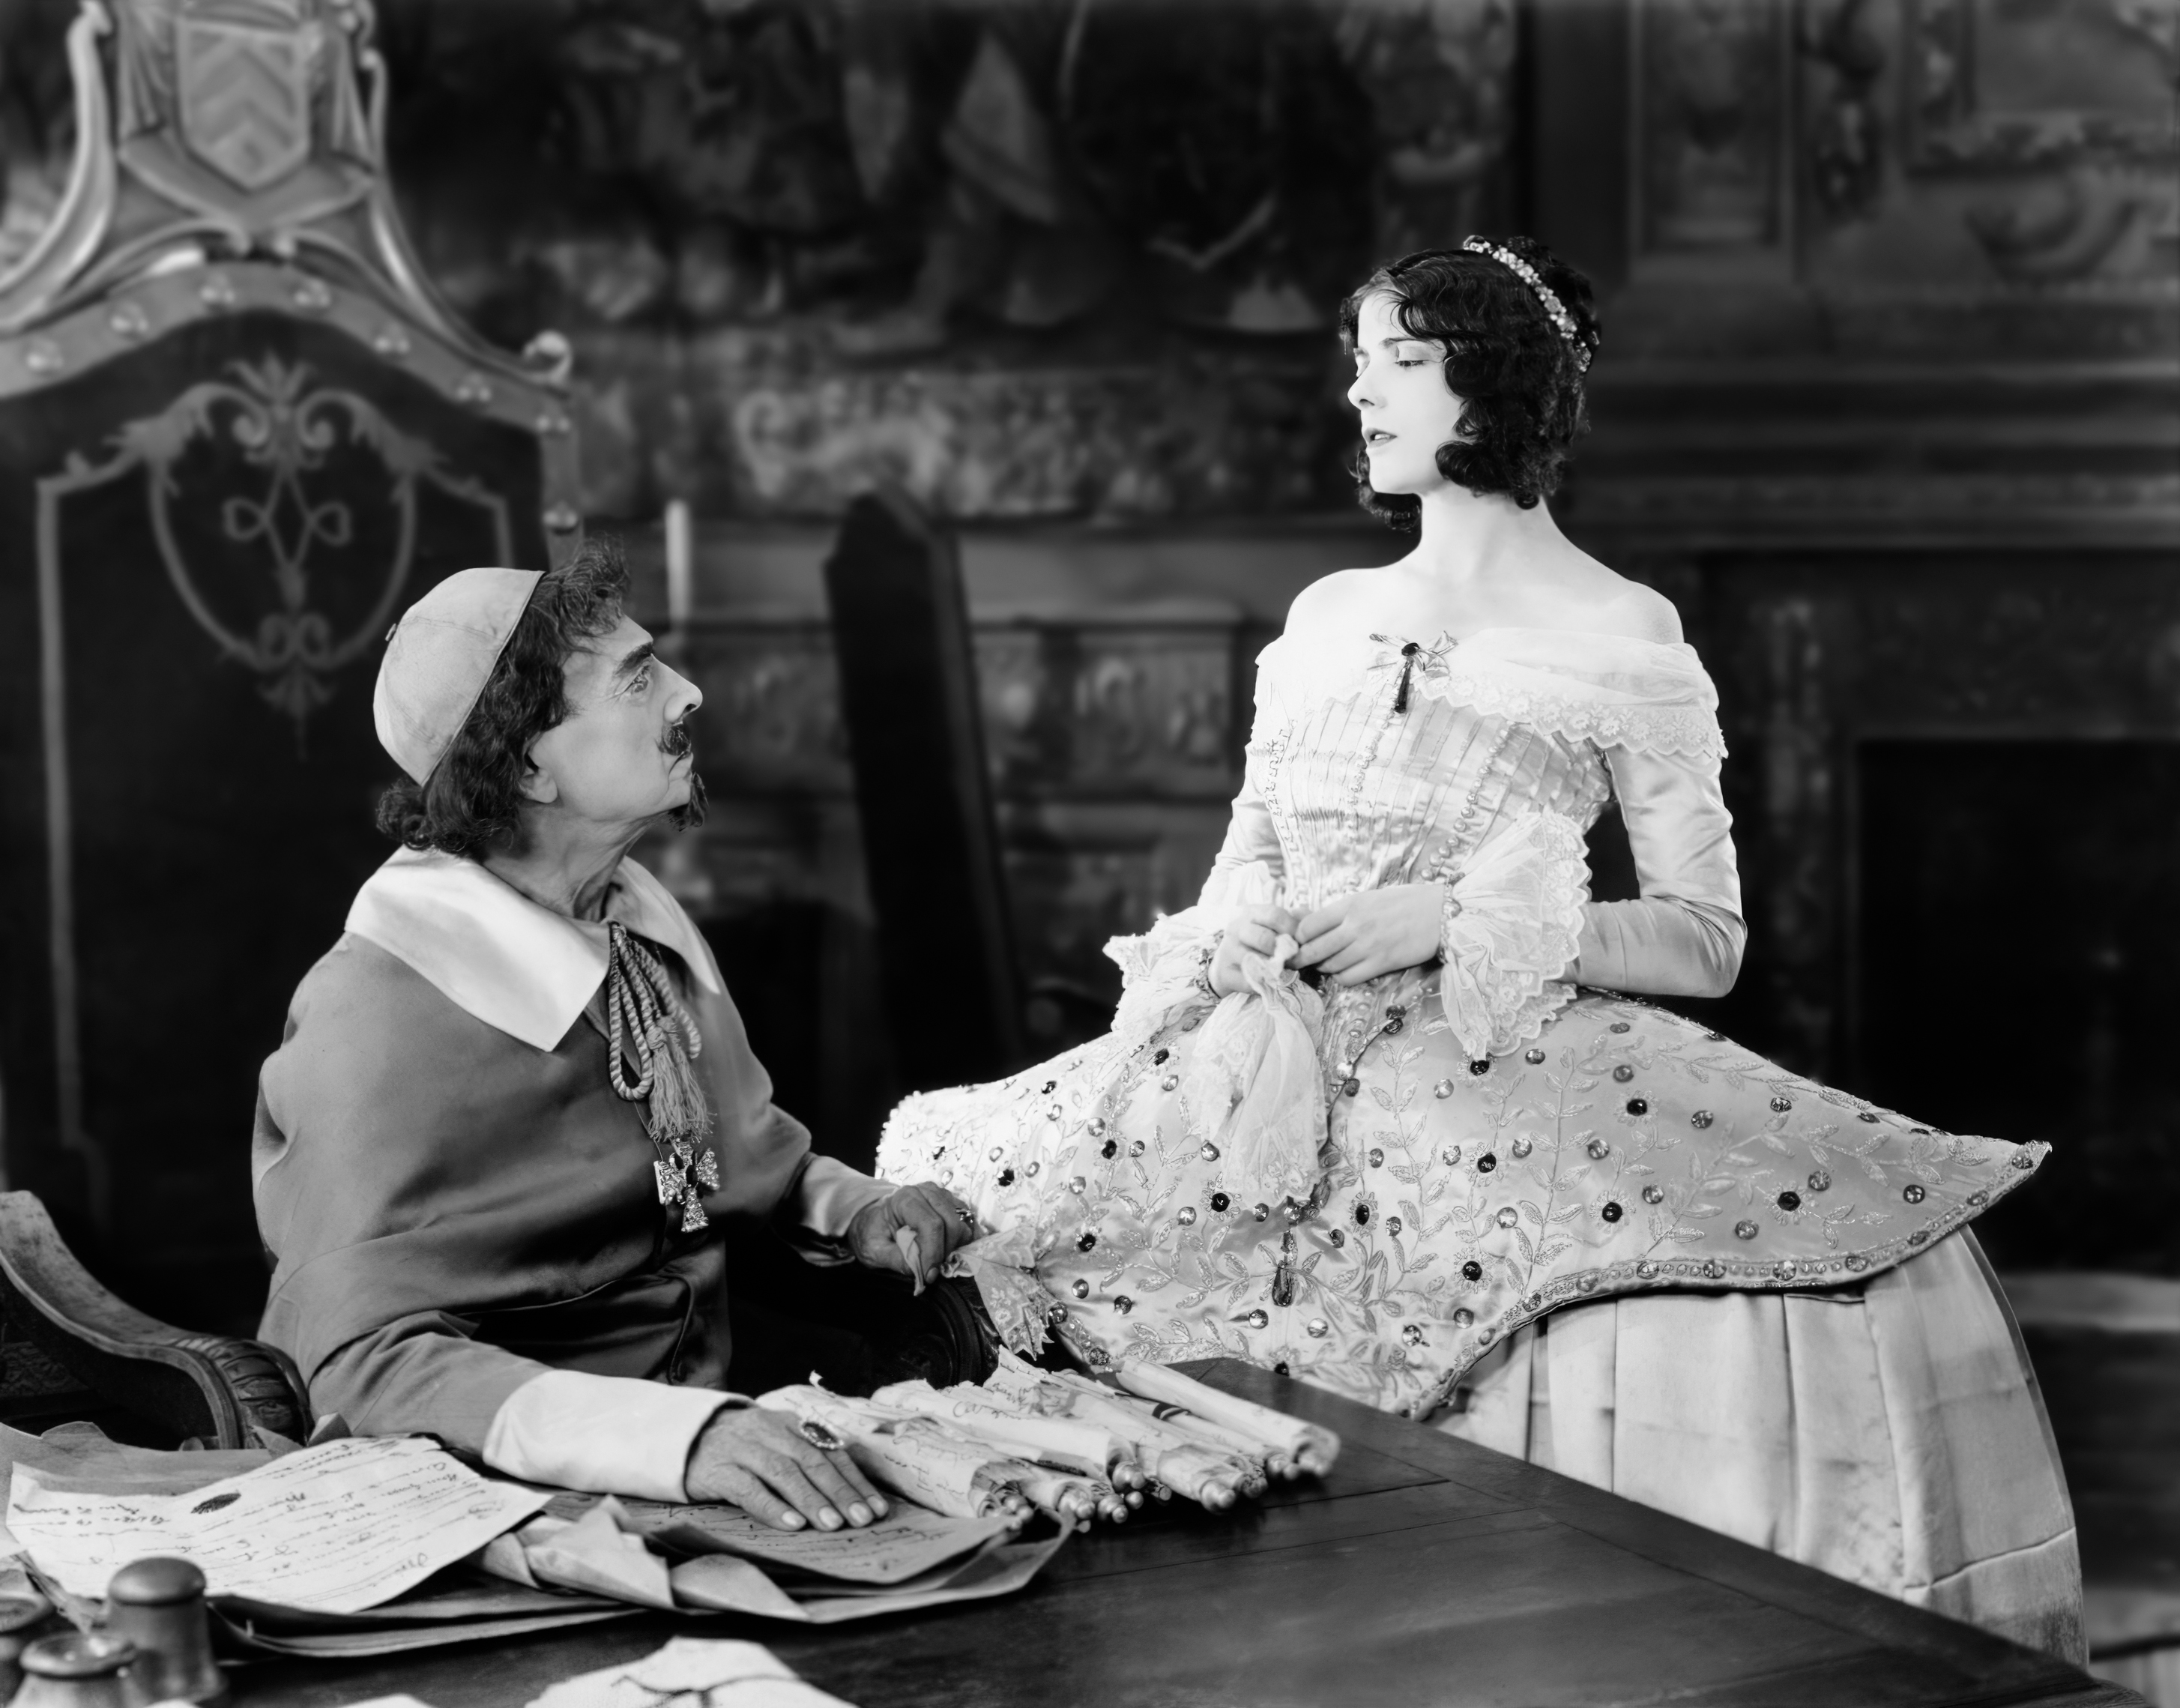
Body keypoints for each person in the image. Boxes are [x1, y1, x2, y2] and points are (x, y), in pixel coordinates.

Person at [879, 238, 2083, 1658]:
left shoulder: (1624, 631)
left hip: (1482, 1051)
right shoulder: (1325, 614)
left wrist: (1452, 920)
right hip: (1256, 1054)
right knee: (998, 1217)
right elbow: (1245, 858)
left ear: (1497, 383)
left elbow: (1704, 940)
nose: (1360, 395)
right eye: (1358, 364)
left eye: (1400, 361)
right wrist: (1239, 930)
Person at [254, 543, 978, 1530]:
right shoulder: (377, 1020)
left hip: (717, 1467)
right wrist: (677, 1442)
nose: (688, 693)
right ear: (527, 766)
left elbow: (706, 1176)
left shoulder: (632, 924)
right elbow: (354, 1366)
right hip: (508, 1513)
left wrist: (857, 1209)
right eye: (638, 679)